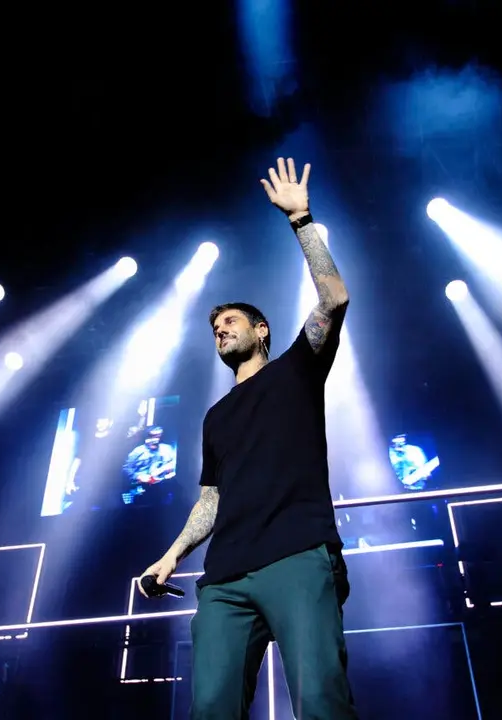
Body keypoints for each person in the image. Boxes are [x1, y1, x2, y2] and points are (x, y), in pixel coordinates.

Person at [139, 158, 356, 719]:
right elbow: (211, 499)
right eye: (215, 328)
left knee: (321, 703)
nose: (220, 329)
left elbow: (333, 299)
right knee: (211, 709)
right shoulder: (215, 417)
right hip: (225, 578)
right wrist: (171, 556)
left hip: (298, 555)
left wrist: (301, 220)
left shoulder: (296, 369)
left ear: (261, 330)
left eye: (231, 320)